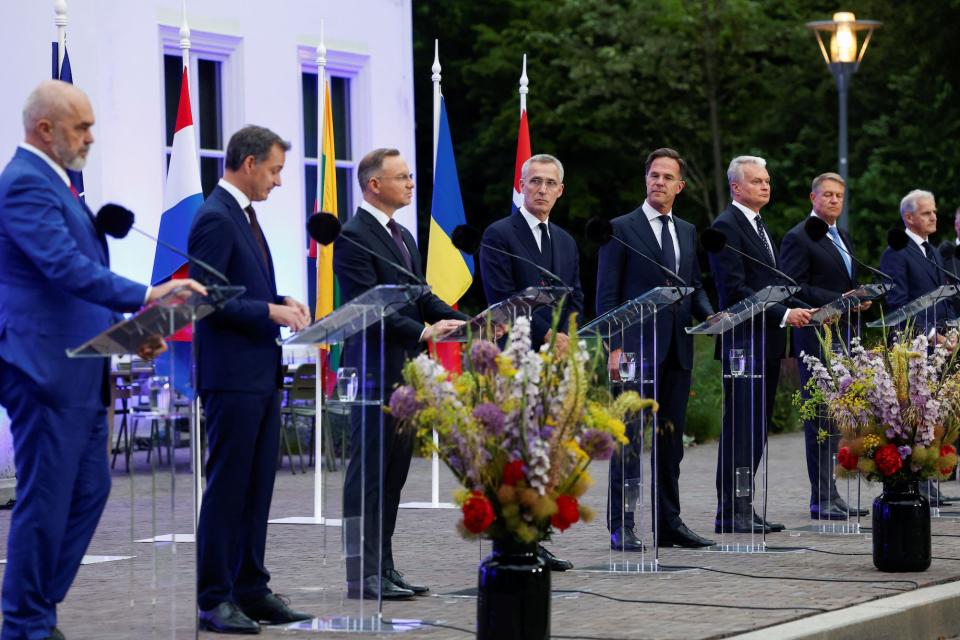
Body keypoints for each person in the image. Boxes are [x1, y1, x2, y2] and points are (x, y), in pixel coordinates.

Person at [0, 80, 205, 640]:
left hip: (80, 364)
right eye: (81, 126)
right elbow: (63, 268)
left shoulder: (59, 185)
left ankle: (35, 609)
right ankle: (25, 623)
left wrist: (129, 334)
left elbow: (70, 290)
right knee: (47, 497)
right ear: (45, 129)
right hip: (42, 367)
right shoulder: (24, 183)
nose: (91, 136)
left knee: (89, 490)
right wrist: (147, 295)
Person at [189, 125, 313, 634]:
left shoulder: (244, 215)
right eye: (275, 169)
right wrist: (269, 311)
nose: (279, 181)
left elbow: (238, 287)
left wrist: (280, 300)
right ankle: (214, 598)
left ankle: (251, 588)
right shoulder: (215, 217)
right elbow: (204, 300)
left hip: (259, 373)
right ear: (247, 162)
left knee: (257, 488)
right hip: (232, 376)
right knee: (228, 489)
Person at [334, 148, 467, 600]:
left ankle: (384, 567)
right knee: (367, 473)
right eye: (403, 177)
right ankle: (360, 573)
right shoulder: (353, 235)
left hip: (406, 371)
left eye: (411, 176)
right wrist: (426, 329)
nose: (411, 183)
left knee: (393, 475)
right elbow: (371, 307)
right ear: (375, 184)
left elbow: (419, 293)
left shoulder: (404, 234)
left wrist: (460, 320)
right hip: (372, 370)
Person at [596, 148, 716, 551]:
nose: (660, 182)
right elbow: (608, 295)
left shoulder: (686, 231)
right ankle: (622, 524)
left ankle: (668, 522)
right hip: (633, 352)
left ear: (680, 186)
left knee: (670, 442)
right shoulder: (621, 228)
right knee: (627, 440)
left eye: (668, 177)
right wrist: (614, 348)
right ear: (645, 180)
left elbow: (694, 284)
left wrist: (712, 317)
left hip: (677, 351)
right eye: (654, 175)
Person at [479, 153, 583, 569]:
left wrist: (570, 334)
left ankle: (536, 536)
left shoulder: (566, 240)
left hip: (556, 359)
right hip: (517, 356)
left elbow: (573, 295)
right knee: (516, 450)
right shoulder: (499, 233)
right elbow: (502, 297)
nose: (541, 190)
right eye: (534, 181)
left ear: (560, 190)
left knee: (547, 451)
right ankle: (511, 540)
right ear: (521, 186)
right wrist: (548, 333)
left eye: (549, 183)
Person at [707, 155, 812, 534]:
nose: (765, 186)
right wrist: (784, 315)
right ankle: (729, 510)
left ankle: (743, 506)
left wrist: (807, 309)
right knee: (740, 428)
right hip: (742, 343)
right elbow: (735, 290)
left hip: (764, 343)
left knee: (755, 429)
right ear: (736, 186)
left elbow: (772, 286)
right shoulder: (726, 227)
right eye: (756, 181)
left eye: (767, 180)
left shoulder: (758, 224)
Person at [780, 172, 870, 521]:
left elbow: (848, 282)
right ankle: (820, 497)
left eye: (839, 196)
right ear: (812, 198)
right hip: (815, 336)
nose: (834, 201)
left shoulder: (842, 236)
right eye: (827, 195)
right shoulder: (798, 237)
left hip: (844, 335)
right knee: (819, 415)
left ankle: (832, 492)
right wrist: (839, 299)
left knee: (836, 417)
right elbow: (794, 287)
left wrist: (859, 299)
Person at [878, 190, 958, 507]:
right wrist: (930, 335)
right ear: (909, 217)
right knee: (915, 419)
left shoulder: (934, 252)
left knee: (933, 417)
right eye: (926, 213)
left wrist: (951, 331)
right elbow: (899, 305)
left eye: (935, 212)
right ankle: (916, 482)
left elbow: (947, 296)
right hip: (912, 350)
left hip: (938, 347)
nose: (933, 218)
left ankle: (929, 479)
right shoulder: (896, 254)